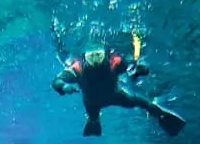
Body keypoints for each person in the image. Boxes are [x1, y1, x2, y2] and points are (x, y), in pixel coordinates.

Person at [51, 41, 186, 137]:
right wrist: (63, 86)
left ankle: (161, 116)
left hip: (117, 95)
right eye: (91, 56)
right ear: (85, 57)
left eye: (98, 55)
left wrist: (140, 69)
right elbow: (57, 81)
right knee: (93, 117)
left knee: (146, 103)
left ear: (105, 53)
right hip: (92, 102)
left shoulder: (113, 62)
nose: (95, 59)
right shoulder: (78, 67)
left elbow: (132, 65)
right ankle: (94, 121)